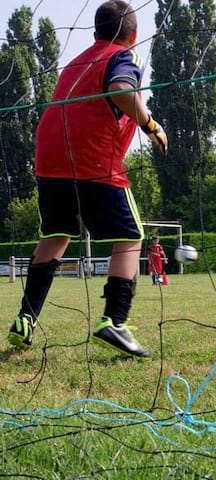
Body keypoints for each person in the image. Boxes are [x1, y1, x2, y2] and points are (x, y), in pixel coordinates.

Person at [8, 0, 168, 358]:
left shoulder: (77, 61)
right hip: (91, 157)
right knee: (130, 236)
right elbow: (120, 89)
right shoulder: (124, 55)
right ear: (134, 35)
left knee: (55, 235)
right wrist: (151, 125)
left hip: (48, 156)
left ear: (94, 32)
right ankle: (115, 321)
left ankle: (24, 320)